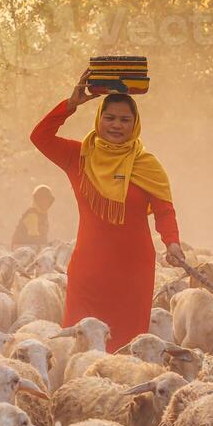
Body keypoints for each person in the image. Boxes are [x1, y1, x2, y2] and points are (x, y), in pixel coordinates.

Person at [31, 69, 185, 352]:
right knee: (80, 349)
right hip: (89, 271)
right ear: (99, 119)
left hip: (133, 273)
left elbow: (164, 211)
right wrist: (70, 105)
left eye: (125, 120)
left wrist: (172, 242)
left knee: (126, 351)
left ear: (135, 124)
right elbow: (39, 136)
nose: (117, 125)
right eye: (110, 117)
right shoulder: (78, 157)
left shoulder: (147, 165)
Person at [10, 184, 55, 248]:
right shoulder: (32, 215)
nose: (46, 202)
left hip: (30, 248)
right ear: (37, 200)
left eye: (48, 200)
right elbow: (34, 239)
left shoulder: (42, 215)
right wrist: (47, 246)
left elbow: (42, 238)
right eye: (43, 199)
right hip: (21, 250)